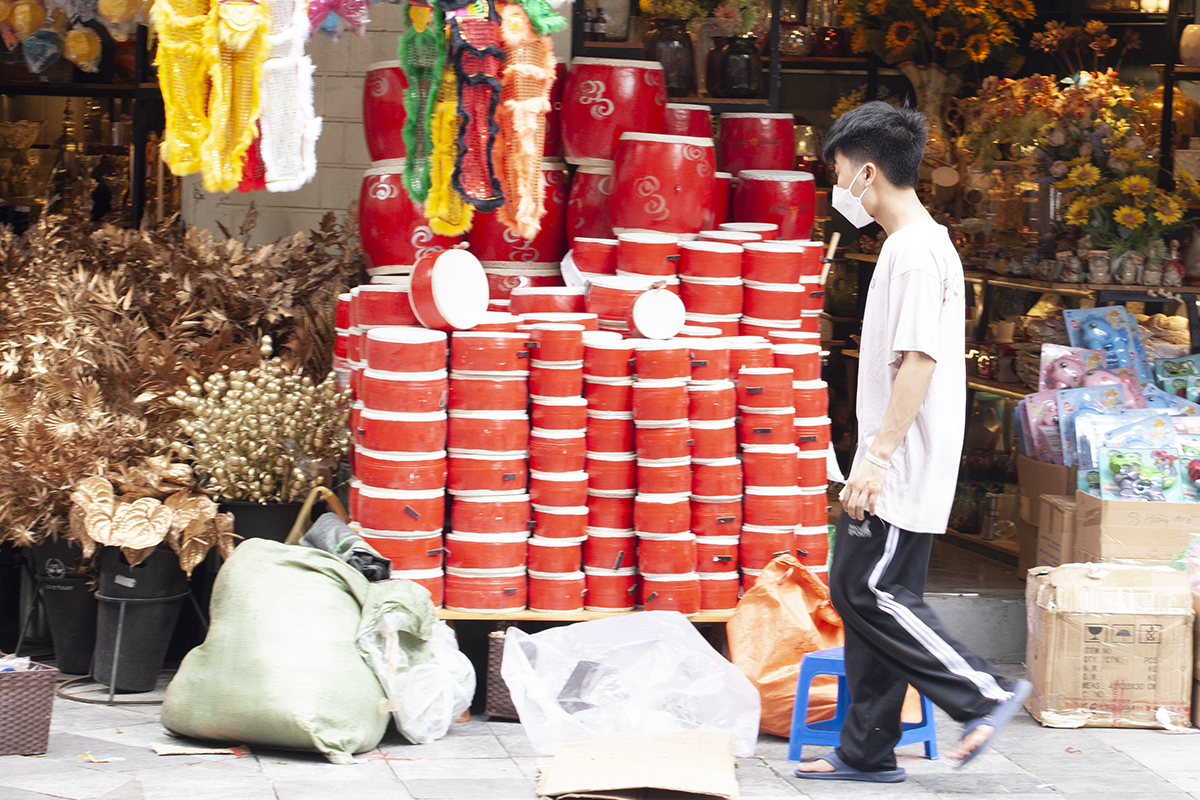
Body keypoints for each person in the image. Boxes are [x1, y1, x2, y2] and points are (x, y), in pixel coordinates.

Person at [794, 102, 1031, 784]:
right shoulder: (908, 247)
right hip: (896, 459)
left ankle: (982, 693)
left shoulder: (917, 253)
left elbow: (919, 362)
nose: (838, 188)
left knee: (867, 589)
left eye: (838, 172)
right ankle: (867, 750)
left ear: (867, 173)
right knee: (865, 590)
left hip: (901, 464)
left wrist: (876, 460)